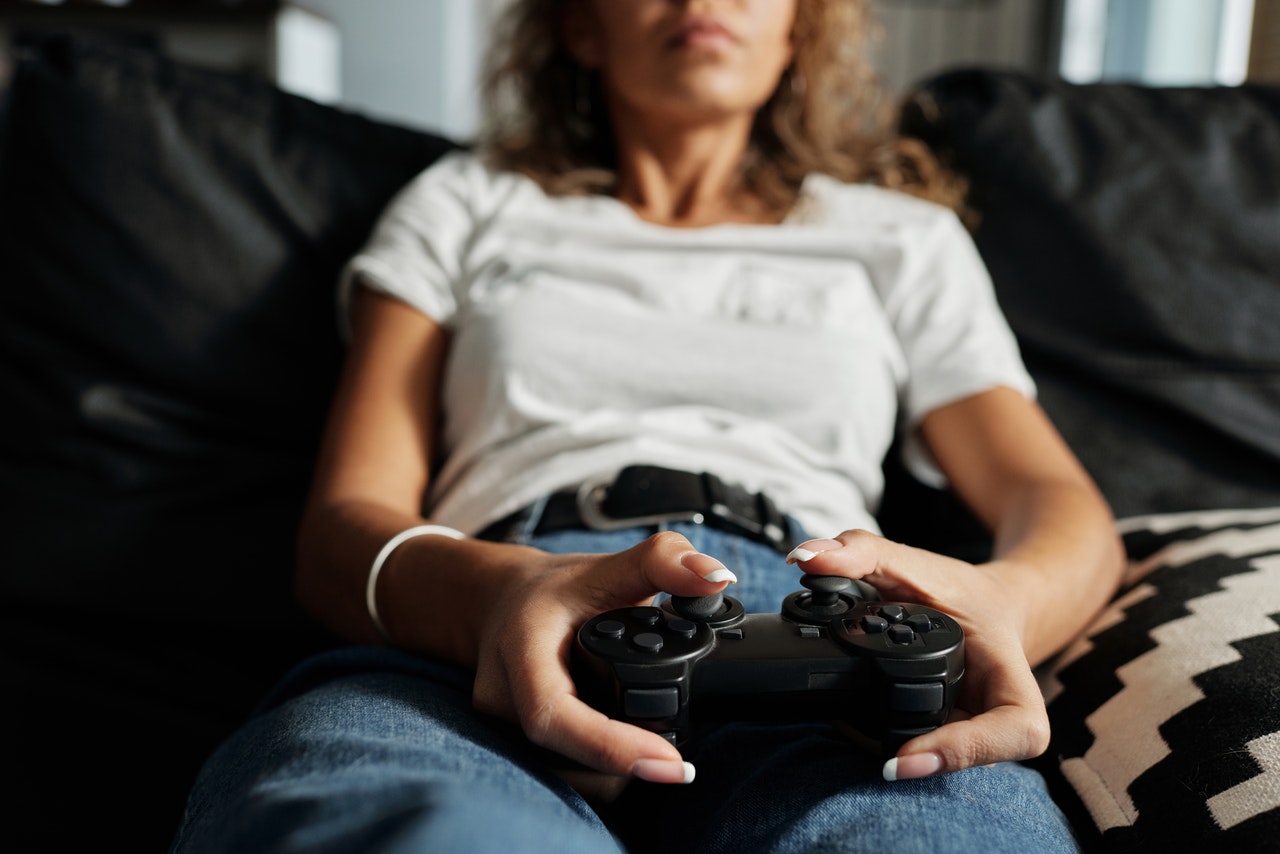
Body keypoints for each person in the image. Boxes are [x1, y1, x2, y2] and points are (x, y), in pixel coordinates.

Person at [170, 0, 1126, 851]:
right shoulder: (468, 202)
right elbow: (342, 527)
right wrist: (492, 597)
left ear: (798, 23)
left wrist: (1002, 603)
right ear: (581, 25)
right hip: (492, 621)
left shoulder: (898, 238)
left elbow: (1056, 502)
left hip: (818, 637)